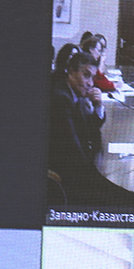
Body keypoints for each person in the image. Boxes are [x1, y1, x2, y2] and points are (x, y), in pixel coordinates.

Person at [48, 43, 107, 199]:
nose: (90, 83)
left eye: (93, 78)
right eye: (86, 75)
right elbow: (72, 149)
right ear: (71, 72)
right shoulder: (61, 99)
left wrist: (98, 105)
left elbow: (91, 127)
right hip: (64, 173)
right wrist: (93, 174)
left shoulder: (76, 95)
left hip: (72, 165)